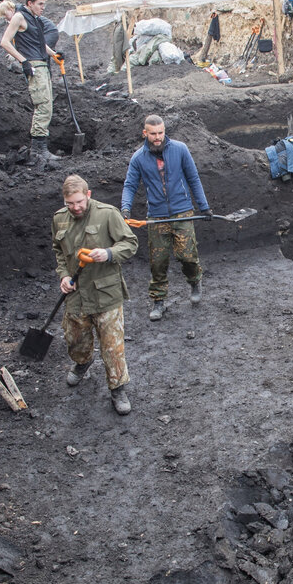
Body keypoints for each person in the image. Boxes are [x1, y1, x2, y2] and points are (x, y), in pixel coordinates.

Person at [52, 174, 139, 415]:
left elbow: (130, 243)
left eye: (79, 202)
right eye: (70, 203)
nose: (75, 207)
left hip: (106, 294)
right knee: (76, 340)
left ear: (88, 195)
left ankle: (118, 388)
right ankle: (83, 362)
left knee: (112, 346)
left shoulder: (108, 214)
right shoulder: (59, 219)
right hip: (76, 294)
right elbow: (59, 251)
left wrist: (110, 253)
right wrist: (63, 276)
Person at [121, 114, 212, 320]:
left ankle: (195, 280)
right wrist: (125, 209)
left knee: (187, 256)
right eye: (153, 134)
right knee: (158, 262)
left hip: (182, 212)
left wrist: (204, 207)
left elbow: (193, 178)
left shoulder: (180, 149)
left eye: (161, 133)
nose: (157, 137)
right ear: (145, 133)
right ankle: (158, 301)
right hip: (157, 217)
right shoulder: (139, 158)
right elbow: (130, 185)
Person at [0, 0, 61, 168]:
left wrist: (55, 55)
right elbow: (5, 41)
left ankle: (42, 148)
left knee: (48, 105)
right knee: (42, 105)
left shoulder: (34, 19)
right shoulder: (19, 17)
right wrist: (23, 61)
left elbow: (40, 44)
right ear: (30, 3)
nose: (43, 8)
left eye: (44, 4)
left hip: (42, 63)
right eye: (40, 4)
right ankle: (38, 150)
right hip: (34, 65)